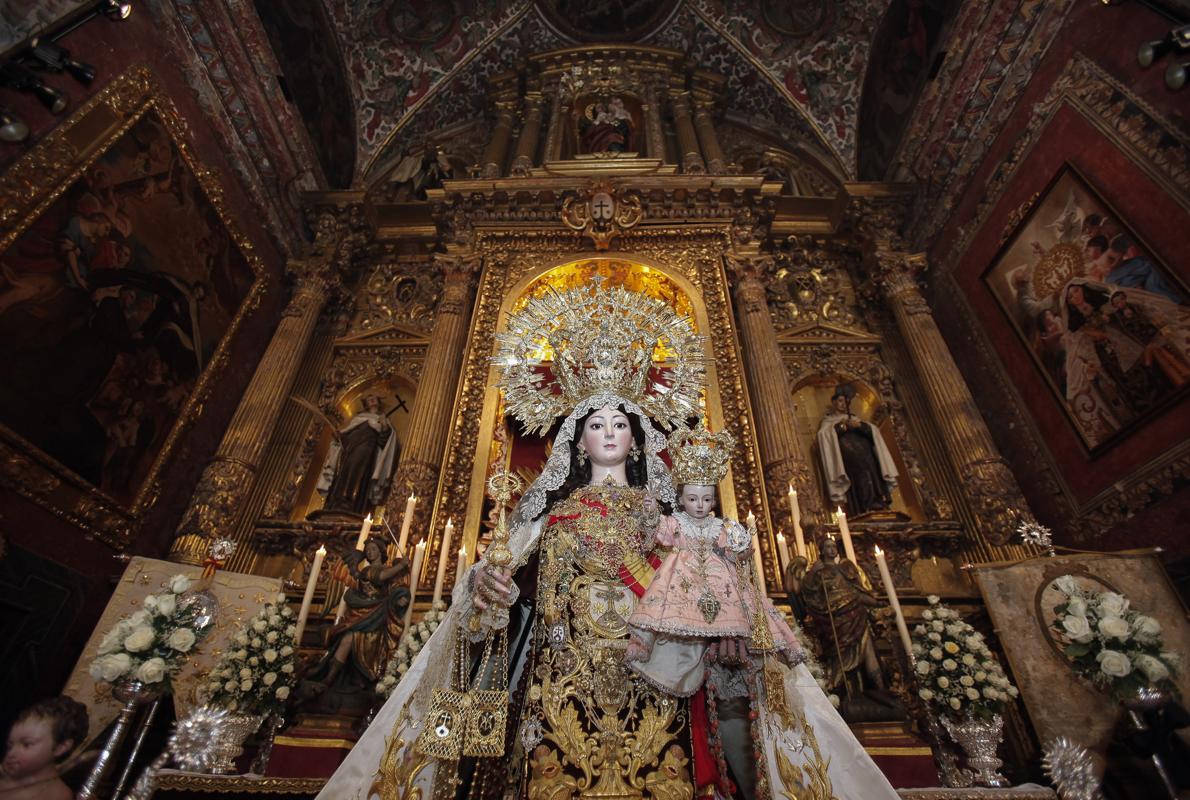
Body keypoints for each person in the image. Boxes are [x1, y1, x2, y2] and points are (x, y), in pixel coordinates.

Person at [315, 283, 899, 799]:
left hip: (655, 670)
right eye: (596, 424)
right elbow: (507, 581)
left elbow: (707, 583)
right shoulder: (548, 512)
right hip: (560, 674)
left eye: (621, 423)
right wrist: (485, 584)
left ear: (639, 437)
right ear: (576, 438)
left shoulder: (668, 514)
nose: (610, 433)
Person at [626, 424, 803, 699]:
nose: (700, 505)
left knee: (737, 615)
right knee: (673, 623)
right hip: (682, 584)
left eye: (707, 499)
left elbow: (735, 552)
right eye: (693, 499)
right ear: (681, 499)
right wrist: (648, 514)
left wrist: (740, 550)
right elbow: (653, 534)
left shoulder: (721, 527)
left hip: (721, 586)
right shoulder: (676, 523)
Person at [301, 537, 409, 715]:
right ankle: (330, 678)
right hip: (361, 614)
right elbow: (381, 577)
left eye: (373, 549)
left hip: (377, 618)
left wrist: (401, 595)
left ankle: (353, 679)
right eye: (368, 550)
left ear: (381, 551)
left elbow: (397, 588)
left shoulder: (388, 570)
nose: (370, 552)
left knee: (362, 645)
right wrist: (401, 565)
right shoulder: (369, 570)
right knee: (347, 638)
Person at [787, 533, 885, 699]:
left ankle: (881, 688)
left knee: (868, 650)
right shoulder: (818, 572)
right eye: (828, 547)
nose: (832, 550)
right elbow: (807, 594)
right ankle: (841, 690)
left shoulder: (845, 568)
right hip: (836, 621)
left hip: (856, 615)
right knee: (841, 656)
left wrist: (876, 603)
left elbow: (856, 591)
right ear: (822, 551)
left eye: (833, 547)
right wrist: (812, 574)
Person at [816, 383, 899, 515]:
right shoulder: (829, 421)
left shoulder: (856, 419)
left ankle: (877, 502)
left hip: (867, 455)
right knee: (858, 479)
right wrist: (843, 427)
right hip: (849, 458)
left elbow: (873, 433)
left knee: (872, 475)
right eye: (840, 401)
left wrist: (859, 426)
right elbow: (824, 436)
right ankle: (862, 507)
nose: (844, 404)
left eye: (846, 401)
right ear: (834, 402)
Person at [317, 395, 399, 516]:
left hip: (366, 449)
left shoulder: (382, 419)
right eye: (369, 398)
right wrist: (339, 436)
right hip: (350, 451)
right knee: (343, 474)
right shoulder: (358, 418)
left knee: (358, 473)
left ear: (378, 402)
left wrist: (385, 426)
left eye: (374, 398)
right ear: (365, 404)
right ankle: (336, 501)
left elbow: (385, 442)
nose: (371, 399)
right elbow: (346, 437)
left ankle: (350, 502)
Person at [0, 696, 88, 800]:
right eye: (10, 745)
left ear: (60, 747)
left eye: (27, 744)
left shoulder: (58, 795)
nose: (11, 753)